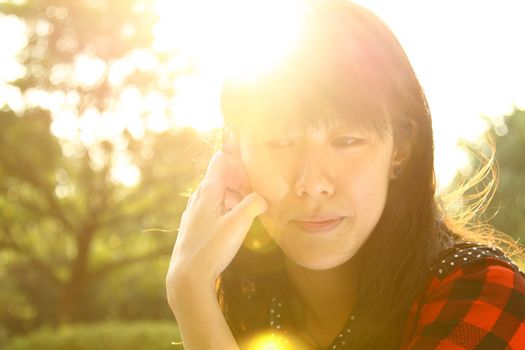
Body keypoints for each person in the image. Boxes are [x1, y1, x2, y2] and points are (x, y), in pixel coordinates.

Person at [165, 1, 525, 349]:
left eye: (347, 141)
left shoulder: (488, 293)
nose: (312, 184)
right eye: (280, 142)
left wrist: (190, 292)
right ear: (235, 151)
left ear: (400, 149)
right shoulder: (247, 299)